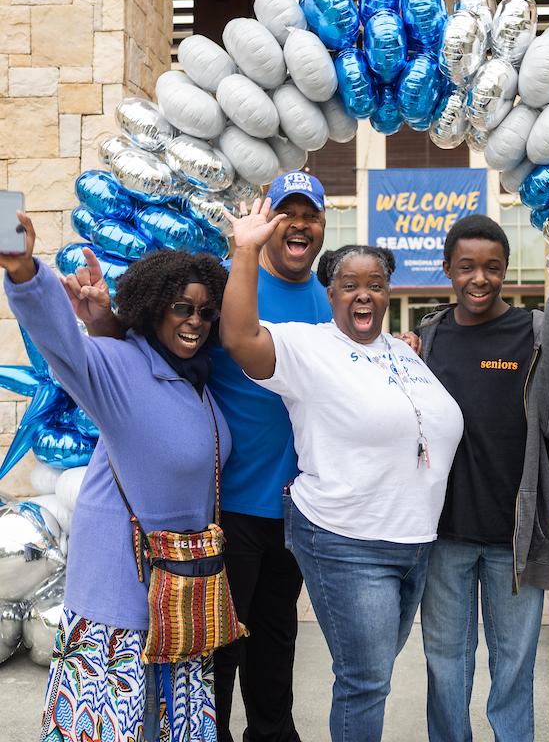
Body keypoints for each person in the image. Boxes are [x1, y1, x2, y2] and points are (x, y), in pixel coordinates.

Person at [70, 170, 333, 742]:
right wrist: (104, 322)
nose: (299, 224)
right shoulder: (228, 294)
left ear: (321, 225)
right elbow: (159, 342)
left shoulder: (327, 301)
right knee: (214, 657)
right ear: (270, 223)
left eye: (309, 214)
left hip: (293, 511)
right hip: (225, 508)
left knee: (275, 649)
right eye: (287, 212)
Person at [219, 196, 465, 742]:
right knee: (365, 682)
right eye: (350, 284)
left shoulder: (404, 352)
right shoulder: (308, 345)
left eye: (375, 284)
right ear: (329, 294)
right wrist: (244, 251)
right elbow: (238, 338)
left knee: (370, 675)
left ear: (387, 293)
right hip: (347, 538)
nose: (364, 294)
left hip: (414, 542)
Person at [1, 212, 231, 742]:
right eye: (181, 308)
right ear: (155, 310)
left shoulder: (198, 383)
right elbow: (62, 343)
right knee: (113, 727)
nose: (194, 321)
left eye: (204, 311)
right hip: (120, 595)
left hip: (181, 597)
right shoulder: (117, 365)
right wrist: (23, 272)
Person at [416, 215, 549, 742]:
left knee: (514, 664)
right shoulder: (428, 336)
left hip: (514, 537)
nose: (479, 279)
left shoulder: (534, 332)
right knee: (445, 662)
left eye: (492, 268)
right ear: (447, 268)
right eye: (466, 267)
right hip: (444, 533)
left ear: (506, 271)